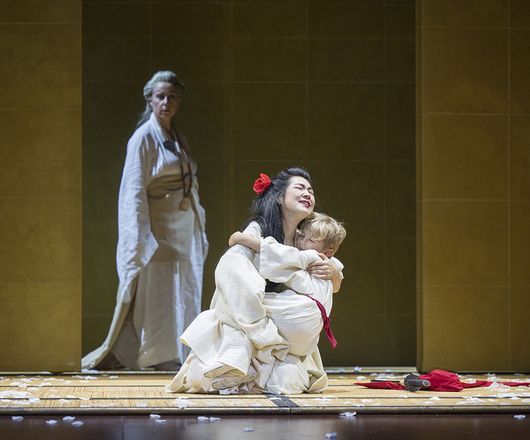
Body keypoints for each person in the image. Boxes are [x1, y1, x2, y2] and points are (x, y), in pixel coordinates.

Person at [166, 168, 341, 394]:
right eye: (300, 187)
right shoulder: (259, 229)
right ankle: (256, 344)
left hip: (284, 325)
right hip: (249, 316)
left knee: (286, 379)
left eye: (311, 190)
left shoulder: (306, 237)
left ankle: (268, 351)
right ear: (279, 197)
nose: (307, 193)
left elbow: (331, 283)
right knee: (232, 263)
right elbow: (234, 269)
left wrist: (334, 272)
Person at [82, 71, 208, 371]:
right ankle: (157, 355)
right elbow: (133, 191)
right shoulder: (143, 138)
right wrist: (138, 235)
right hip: (158, 229)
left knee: (183, 289)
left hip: (183, 227)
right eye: (160, 96)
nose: (166, 102)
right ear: (150, 99)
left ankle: (180, 352)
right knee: (160, 293)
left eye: (172, 97)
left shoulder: (177, 137)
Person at [228, 212, 346, 353]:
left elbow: (282, 254)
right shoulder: (333, 264)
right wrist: (336, 273)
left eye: (311, 240)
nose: (302, 243)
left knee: (243, 302)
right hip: (310, 336)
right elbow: (336, 284)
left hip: (299, 313)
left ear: (327, 252)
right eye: (301, 236)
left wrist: (243, 239)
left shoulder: (312, 256)